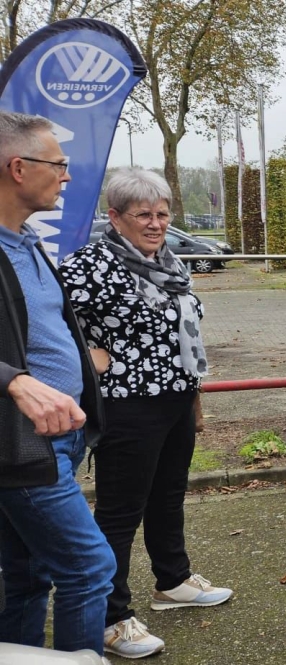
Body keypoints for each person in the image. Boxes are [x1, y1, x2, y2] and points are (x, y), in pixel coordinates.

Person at [60, 168, 232, 659]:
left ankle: (172, 581)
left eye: (162, 214)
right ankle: (110, 617)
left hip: (175, 396)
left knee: (168, 495)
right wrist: (85, 355)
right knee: (120, 511)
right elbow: (43, 326)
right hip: (126, 403)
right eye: (143, 215)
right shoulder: (88, 267)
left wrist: (193, 398)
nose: (155, 224)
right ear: (114, 217)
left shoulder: (171, 262)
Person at [0, 111, 116, 656]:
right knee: (90, 567)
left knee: (26, 574)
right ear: (18, 168)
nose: (67, 177)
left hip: (60, 435)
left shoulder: (25, 242)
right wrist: (14, 382)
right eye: (59, 165)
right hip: (22, 442)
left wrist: (79, 362)